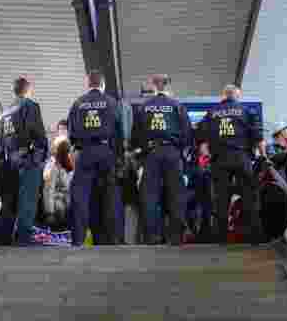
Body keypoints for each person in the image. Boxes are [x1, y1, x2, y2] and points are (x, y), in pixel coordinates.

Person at [198, 84, 266, 245]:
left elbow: (202, 140)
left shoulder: (211, 113)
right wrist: (264, 156)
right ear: (237, 95)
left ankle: (221, 239)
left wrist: (208, 156)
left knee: (221, 199)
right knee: (249, 197)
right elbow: (258, 136)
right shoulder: (246, 111)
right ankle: (255, 237)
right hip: (241, 158)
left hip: (220, 160)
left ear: (224, 95)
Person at [131, 74, 192, 245]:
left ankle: (151, 238)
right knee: (176, 195)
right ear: (168, 86)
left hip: (151, 153)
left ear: (153, 86)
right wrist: (180, 154)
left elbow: (135, 135)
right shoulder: (177, 106)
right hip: (173, 153)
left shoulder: (143, 106)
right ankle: (176, 238)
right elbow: (187, 134)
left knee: (150, 196)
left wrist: (142, 154)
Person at [67, 70, 125, 247]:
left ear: (88, 84)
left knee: (81, 196)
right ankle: (114, 238)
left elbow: (71, 134)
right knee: (111, 196)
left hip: (85, 153)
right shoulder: (112, 102)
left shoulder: (78, 103)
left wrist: (80, 146)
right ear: (102, 84)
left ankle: (78, 239)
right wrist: (118, 156)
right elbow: (119, 131)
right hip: (106, 151)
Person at [0, 77, 48, 246]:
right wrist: (39, 158)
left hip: (10, 162)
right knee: (28, 201)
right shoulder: (29, 106)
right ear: (28, 90)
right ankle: (23, 240)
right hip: (27, 160)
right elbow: (38, 134)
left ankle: (5, 239)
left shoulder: (5, 112)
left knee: (11, 202)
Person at [42, 138, 74, 230]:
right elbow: (49, 190)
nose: (68, 153)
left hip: (68, 206)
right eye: (65, 150)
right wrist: (50, 212)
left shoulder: (69, 165)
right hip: (58, 209)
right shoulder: (52, 166)